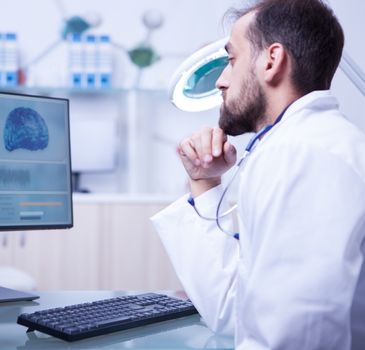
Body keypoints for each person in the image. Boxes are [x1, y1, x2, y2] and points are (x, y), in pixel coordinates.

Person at [151, 0, 365, 349]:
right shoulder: (287, 148)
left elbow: (296, 338)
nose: (221, 81)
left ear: (272, 60)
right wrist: (205, 182)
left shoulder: (307, 154)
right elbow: (231, 311)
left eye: (231, 60)